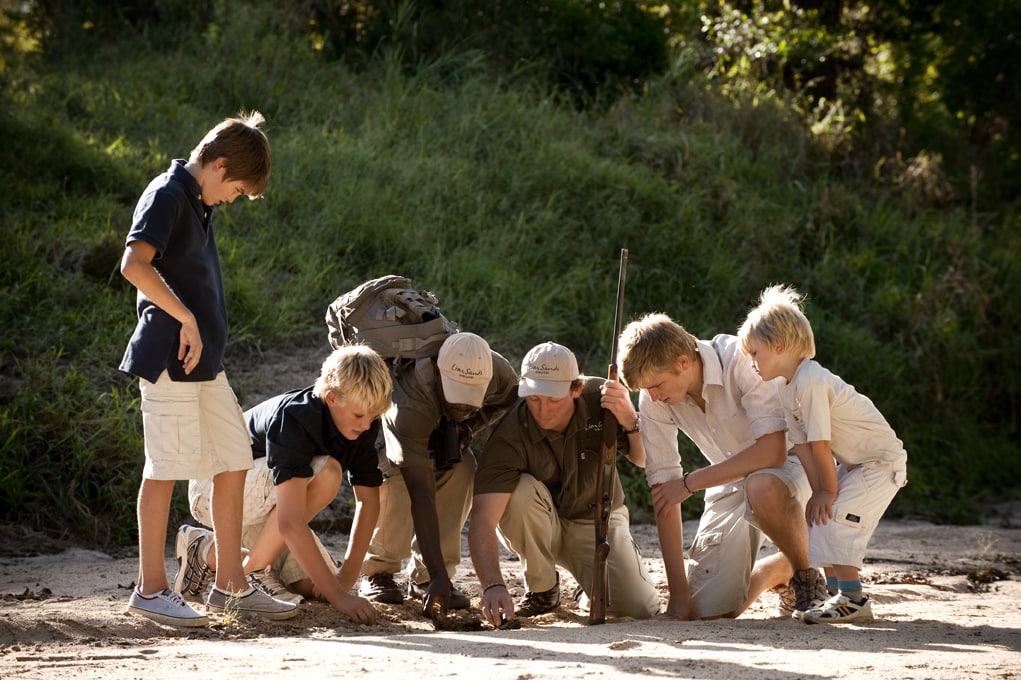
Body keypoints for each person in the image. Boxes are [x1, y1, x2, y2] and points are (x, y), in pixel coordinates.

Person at [119, 111, 296, 626]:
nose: (234, 199)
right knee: (164, 470)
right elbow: (133, 265)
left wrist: (200, 325)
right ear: (218, 166)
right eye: (236, 189)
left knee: (234, 457)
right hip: (169, 360)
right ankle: (151, 590)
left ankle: (230, 586)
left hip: (206, 365)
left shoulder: (197, 201)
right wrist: (186, 318)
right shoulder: (168, 193)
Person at [616, 313, 828, 621]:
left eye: (657, 385)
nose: (653, 396)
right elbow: (664, 493)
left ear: (683, 362)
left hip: (796, 466)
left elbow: (773, 451)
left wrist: (689, 483)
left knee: (761, 485)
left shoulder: (740, 360)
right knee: (705, 611)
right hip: (729, 479)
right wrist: (678, 597)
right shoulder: (654, 400)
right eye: (645, 390)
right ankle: (776, 571)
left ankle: (805, 574)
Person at [175, 345, 393, 625]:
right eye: (360, 416)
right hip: (213, 490)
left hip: (270, 503)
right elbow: (290, 522)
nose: (366, 425)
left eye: (373, 417)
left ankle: (203, 550)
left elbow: (368, 500)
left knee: (313, 588)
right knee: (328, 471)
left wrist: (346, 578)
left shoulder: (361, 425)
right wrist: (342, 599)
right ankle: (250, 572)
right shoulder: (296, 417)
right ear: (331, 398)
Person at [737, 284, 908, 624]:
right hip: (855, 464)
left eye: (755, 353)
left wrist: (827, 491)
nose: (752, 363)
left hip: (880, 462)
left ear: (779, 346)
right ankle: (836, 596)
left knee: (838, 515)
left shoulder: (812, 380)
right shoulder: (787, 387)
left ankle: (853, 599)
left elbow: (820, 443)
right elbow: (802, 446)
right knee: (820, 518)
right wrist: (818, 492)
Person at [470, 342, 661, 627]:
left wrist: (630, 420)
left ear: (576, 389)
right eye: (534, 398)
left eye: (553, 399)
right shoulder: (509, 432)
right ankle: (543, 589)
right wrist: (492, 585)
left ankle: (587, 590)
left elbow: (642, 459)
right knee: (517, 493)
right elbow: (483, 518)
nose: (543, 410)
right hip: (541, 527)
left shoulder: (603, 400)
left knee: (638, 607)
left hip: (597, 522)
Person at [358, 332, 519, 618]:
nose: (463, 407)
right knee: (397, 481)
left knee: (463, 467)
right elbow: (421, 493)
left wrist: (469, 425)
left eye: (470, 400)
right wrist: (439, 578)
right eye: (457, 399)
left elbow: (508, 400)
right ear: (437, 371)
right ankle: (379, 571)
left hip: (433, 424)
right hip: (386, 436)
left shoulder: (499, 373)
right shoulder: (409, 404)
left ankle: (423, 578)